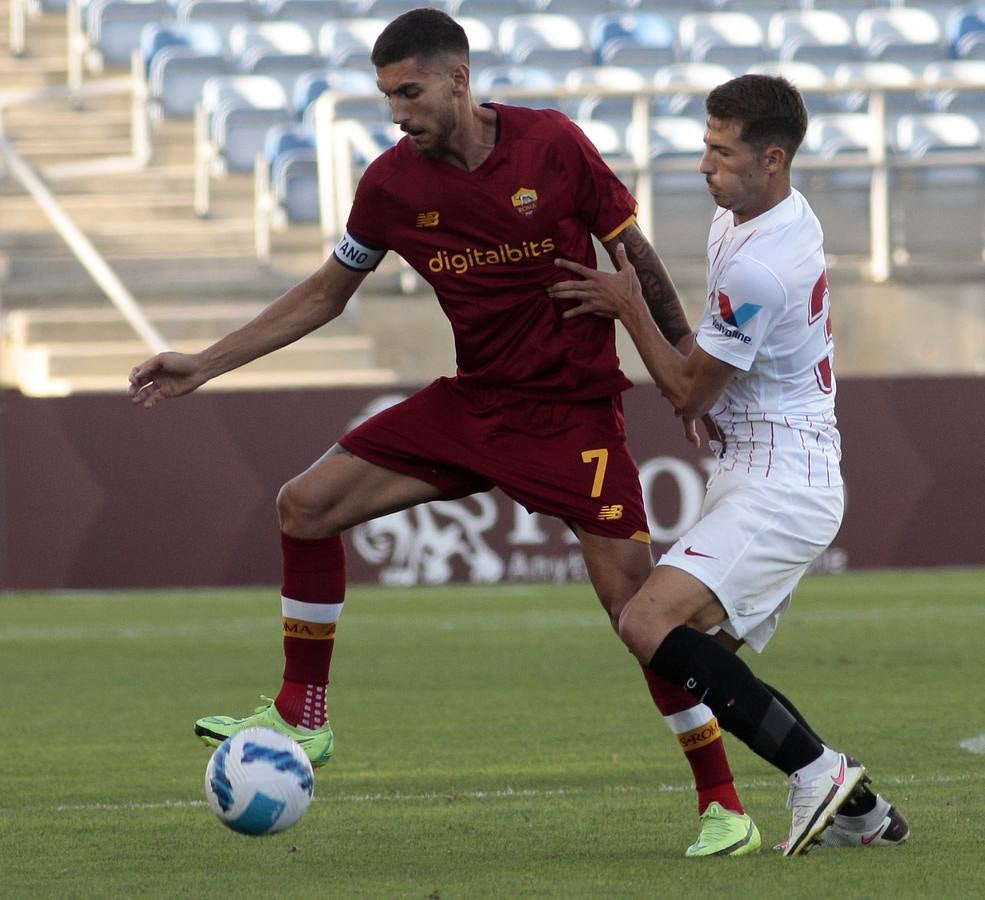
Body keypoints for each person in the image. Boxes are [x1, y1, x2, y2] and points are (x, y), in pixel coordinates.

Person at [127, 8, 756, 858]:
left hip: (571, 416)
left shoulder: (551, 146)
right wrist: (206, 363)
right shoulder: (391, 185)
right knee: (304, 505)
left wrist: (680, 366)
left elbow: (633, 257)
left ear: (458, 79)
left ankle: (722, 805)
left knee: (639, 616)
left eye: (409, 93)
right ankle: (302, 715)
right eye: (386, 96)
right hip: (472, 406)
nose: (397, 112)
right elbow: (325, 294)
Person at [548, 74, 910, 855]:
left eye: (721, 152)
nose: (703, 166)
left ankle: (816, 771)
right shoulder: (755, 217)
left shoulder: (761, 265)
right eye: (704, 146)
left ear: (771, 159)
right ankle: (861, 812)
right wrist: (697, 375)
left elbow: (684, 385)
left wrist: (628, 308)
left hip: (782, 479)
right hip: (761, 465)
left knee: (645, 620)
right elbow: (701, 364)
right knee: (700, 664)